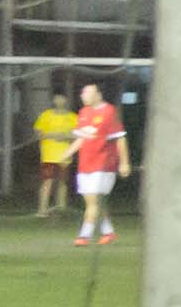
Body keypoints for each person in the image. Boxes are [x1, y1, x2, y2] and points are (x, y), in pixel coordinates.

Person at [70, 83, 129, 247]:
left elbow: (120, 138)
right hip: (85, 165)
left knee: (93, 201)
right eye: (82, 92)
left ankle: (84, 236)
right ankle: (108, 232)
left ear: (98, 95)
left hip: (103, 164)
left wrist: (124, 162)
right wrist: (67, 154)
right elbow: (81, 139)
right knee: (94, 202)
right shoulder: (83, 112)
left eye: (87, 92)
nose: (83, 95)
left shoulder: (109, 111)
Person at [33, 97, 75, 215]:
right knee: (47, 181)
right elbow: (38, 133)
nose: (59, 101)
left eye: (62, 99)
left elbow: (77, 135)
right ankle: (42, 209)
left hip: (65, 155)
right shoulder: (46, 115)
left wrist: (65, 136)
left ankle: (61, 208)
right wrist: (53, 135)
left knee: (63, 182)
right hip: (49, 155)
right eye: (57, 99)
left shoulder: (72, 117)